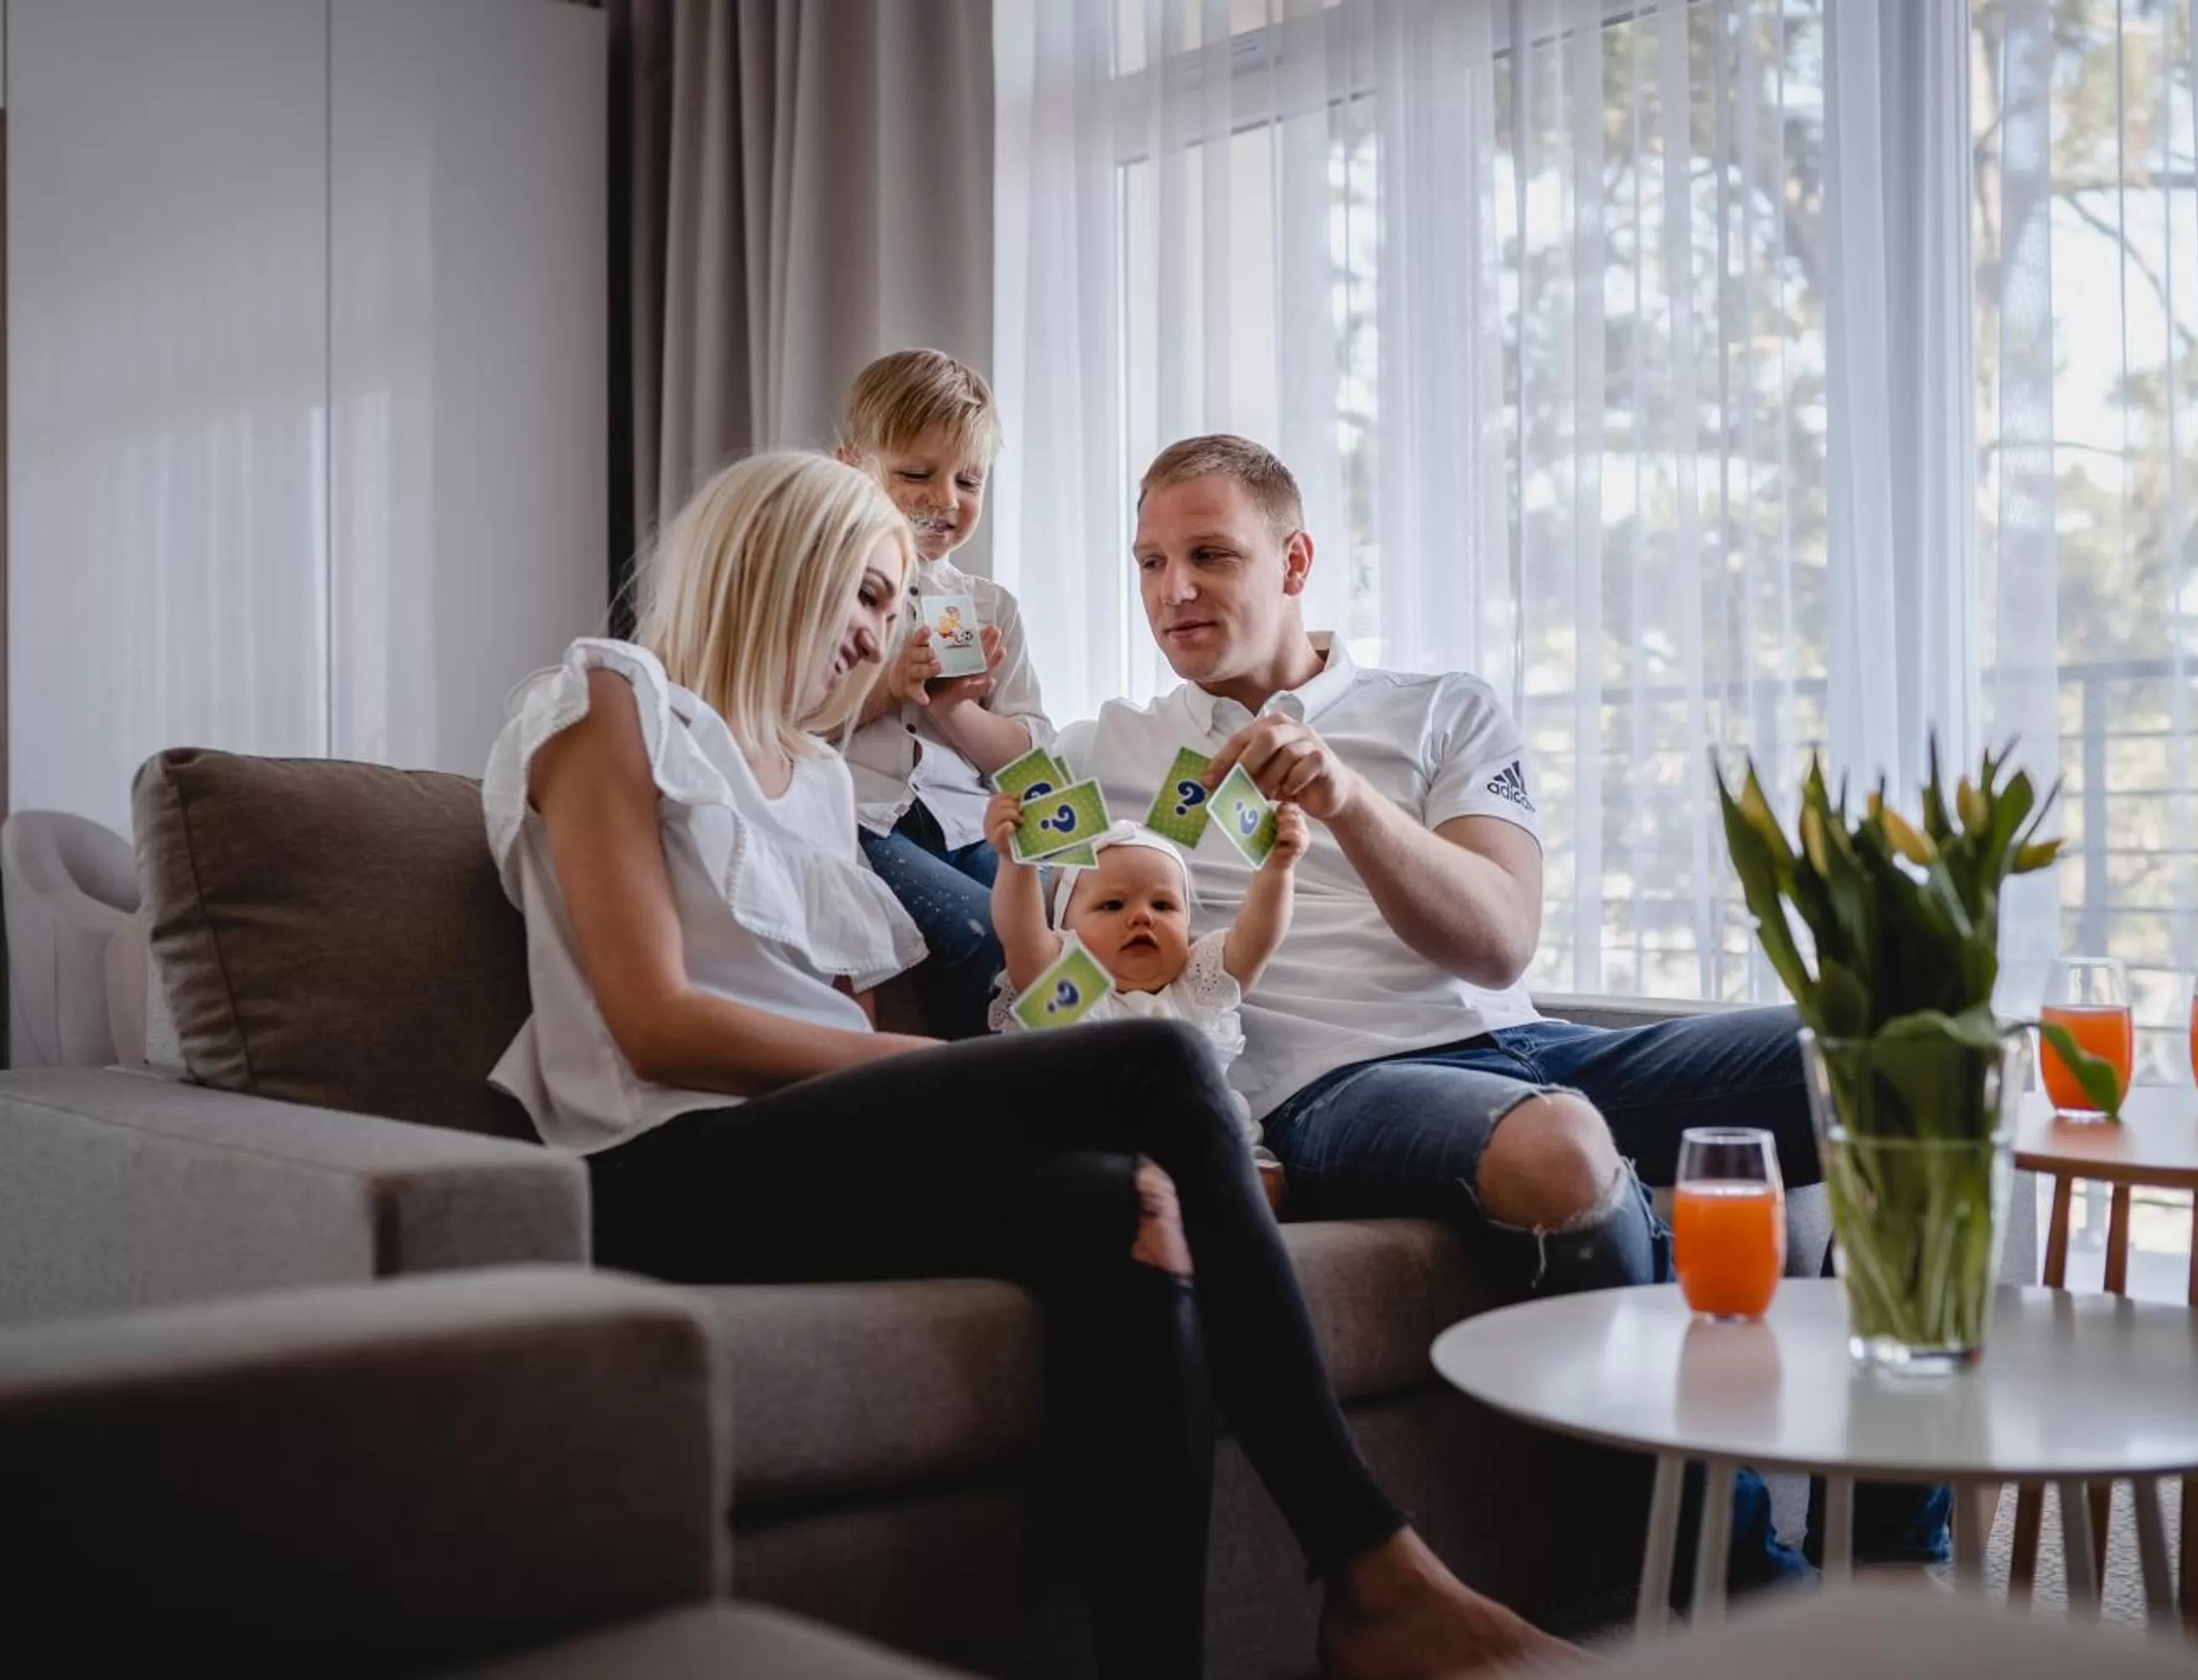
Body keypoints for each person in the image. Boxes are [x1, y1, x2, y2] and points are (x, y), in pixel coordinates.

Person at [479, 449, 1566, 1680]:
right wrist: (942, 1073)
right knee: (1156, 1062)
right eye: (864, 592)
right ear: (774, 561)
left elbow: (860, 1023)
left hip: (810, 1153)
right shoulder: (609, 698)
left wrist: (941, 1075)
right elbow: (654, 1020)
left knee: (1129, 1209)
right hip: (657, 1160)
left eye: (891, 602)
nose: (877, 633)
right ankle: (1378, 1574)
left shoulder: (815, 779)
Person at [1058, 433, 1950, 1595]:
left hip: (1522, 1040)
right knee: (1563, 1148)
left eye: (1210, 555)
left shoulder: (1440, 709)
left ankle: (1889, 1552)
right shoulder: (1106, 752)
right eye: (1150, 562)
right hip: (1334, 1085)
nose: (1174, 589)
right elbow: (929, 818)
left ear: (1295, 561)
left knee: (1900, 1056)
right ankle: (1739, 1585)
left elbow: (1499, 939)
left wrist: (1346, 797)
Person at [839, 349, 1052, 1037]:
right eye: (916, 474)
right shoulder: (823, 592)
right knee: (984, 934)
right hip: (864, 821)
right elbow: (782, 725)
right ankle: (995, 1090)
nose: (947, 500)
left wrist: (956, 709)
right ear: (851, 468)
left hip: (970, 821)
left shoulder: (984, 606)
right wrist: (887, 686)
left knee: (1068, 913)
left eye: (969, 480)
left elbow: (1031, 761)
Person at [984, 808, 1302, 1202]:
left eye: (1163, 906)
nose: (1141, 917)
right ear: (1064, 931)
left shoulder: (1193, 987)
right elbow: (1021, 936)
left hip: (1201, 1157)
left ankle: (1197, 1215)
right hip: (1099, 1156)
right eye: (1112, 905)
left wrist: (1277, 869)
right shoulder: (1070, 989)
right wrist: (1016, 862)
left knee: (1265, 1183)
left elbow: (1257, 939)